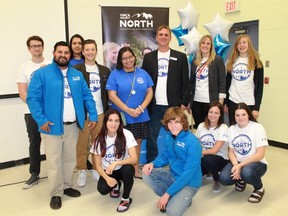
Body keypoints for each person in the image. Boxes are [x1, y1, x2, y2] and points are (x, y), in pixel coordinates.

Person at [27, 41, 98, 210]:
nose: (63, 55)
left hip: (73, 125)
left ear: (70, 55)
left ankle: (66, 186)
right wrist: (41, 120)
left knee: (69, 159)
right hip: (51, 126)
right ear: (54, 53)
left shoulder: (76, 75)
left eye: (66, 53)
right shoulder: (42, 74)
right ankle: (56, 193)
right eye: (60, 52)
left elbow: (87, 96)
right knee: (54, 161)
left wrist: (93, 115)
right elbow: (32, 99)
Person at [142, 25, 190, 163]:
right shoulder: (149, 57)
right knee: (152, 135)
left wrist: (184, 103)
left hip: (173, 105)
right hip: (154, 105)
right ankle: (152, 162)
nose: (163, 37)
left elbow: (185, 82)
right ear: (156, 37)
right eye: (160, 34)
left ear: (170, 37)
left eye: (166, 34)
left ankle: (178, 161)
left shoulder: (180, 57)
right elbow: (145, 82)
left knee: (176, 135)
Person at [142, 107, 202, 215]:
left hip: (190, 182)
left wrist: (167, 194)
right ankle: (176, 196)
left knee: (172, 212)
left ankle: (181, 197)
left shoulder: (193, 143)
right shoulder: (170, 136)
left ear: (183, 123)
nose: (173, 126)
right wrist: (152, 163)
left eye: (177, 122)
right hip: (173, 175)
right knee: (146, 174)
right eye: (170, 122)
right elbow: (164, 157)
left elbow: (188, 173)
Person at [106, 46, 153, 178]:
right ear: (120, 60)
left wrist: (141, 108)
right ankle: (117, 169)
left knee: (137, 143)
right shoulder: (115, 74)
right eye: (124, 58)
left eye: (130, 57)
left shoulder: (142, 73)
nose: (128, 60)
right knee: (120, 143)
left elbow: (150, 92)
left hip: (141, 115)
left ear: (134, 57)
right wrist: (128, 110)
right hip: (123, 116)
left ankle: (135, 169)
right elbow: (112, 95)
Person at [74, 39, 110, 187]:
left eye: (92, 49)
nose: (90, 52)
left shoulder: (104, 70)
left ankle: (96, 168)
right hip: (82, 114)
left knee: (97, 144)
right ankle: (82, 169)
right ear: (83, 52)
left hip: (100, 112)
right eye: (87, 50)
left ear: (96, 51)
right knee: (81, 144)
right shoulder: (76, 70)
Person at [16, 35, 51, 189]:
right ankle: (34, 174)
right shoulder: (24, 67)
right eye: (33, 46)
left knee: (54, 143)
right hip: (31, 113)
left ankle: (56, 173)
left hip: (50, 112)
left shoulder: (50, 65)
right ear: (29, 49)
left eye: (39, 45)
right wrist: (37, 110)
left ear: (43, 47)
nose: (36, 48)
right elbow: (23, 92)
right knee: (34, 143)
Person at [219, 103, 268, 203]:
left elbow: (260, 154)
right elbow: (231, 152)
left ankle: (259, 188)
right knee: (224, 178)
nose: (240, 118)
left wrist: (240, 166)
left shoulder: (257, 127)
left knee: (247, 172)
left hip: (257, 163)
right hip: (238, 162)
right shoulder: (232, 129)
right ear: (234, 116)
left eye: (243, 114)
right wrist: (236, 165)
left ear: (248, 114)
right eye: (237, 115)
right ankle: (241, 179)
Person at [90, 109, 137, 213]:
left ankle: (125, 199)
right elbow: (98, 166)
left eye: (116, 121)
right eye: (110, 120)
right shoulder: (98, 139)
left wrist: (116, 163)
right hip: (109, 171)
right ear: (105, 122)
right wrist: (107, 178)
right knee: (102, 190)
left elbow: (134, 159)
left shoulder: (126, 134)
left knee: (129, 169)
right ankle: (116, 185)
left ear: (120, 122)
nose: (113, 124)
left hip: (122, 169)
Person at [225, 34, 264, 125]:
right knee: (233, 128)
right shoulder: (232, 61)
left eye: (244, 42)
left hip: (249, 102)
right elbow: (228, 83)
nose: (241, 45)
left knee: (248, 129)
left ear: (249, 44)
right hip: (233, 100)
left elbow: (259, 87)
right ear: (236, 46)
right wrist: (226, 102)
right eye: (239, 43)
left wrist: (256, 108)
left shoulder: (256, 62)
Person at [190, 35, 226, 129]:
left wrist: (220, 102)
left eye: (208, 43)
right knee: (199, 127)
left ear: (211, 46)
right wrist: (189, 101)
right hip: (196, 100)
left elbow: (222, 81)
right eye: (203, 43)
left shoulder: (217, 60)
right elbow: (192, 82)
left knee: (211, 127)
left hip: (211, 101)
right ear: (200, 45)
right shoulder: (195, 60)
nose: (205, 45)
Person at [196, 101, 229, 193]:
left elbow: (215, 150)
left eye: (216, 113)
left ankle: (216, 179)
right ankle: (208, 170)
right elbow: (197, 144)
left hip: (221, 160)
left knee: (208, 159)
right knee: (193, 177)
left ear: (220, 115)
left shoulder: (223, 127)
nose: (213, 115)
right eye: (211, 112)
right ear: (207, 113)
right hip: (204, 158)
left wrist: (197, 153)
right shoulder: (201, 126)